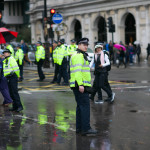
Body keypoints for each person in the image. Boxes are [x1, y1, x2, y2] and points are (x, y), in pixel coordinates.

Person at [70, 37, 98, 136]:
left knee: (80, 107)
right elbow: (77, 72)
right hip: (80, 85)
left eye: (87, 45)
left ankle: (79, 128)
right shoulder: (78, 56)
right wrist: (81, 84)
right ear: (79, 45)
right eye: (84, 44)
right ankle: (86, 128)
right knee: (85, 107)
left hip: (78, 85)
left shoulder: (79, 55)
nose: (86, 46)